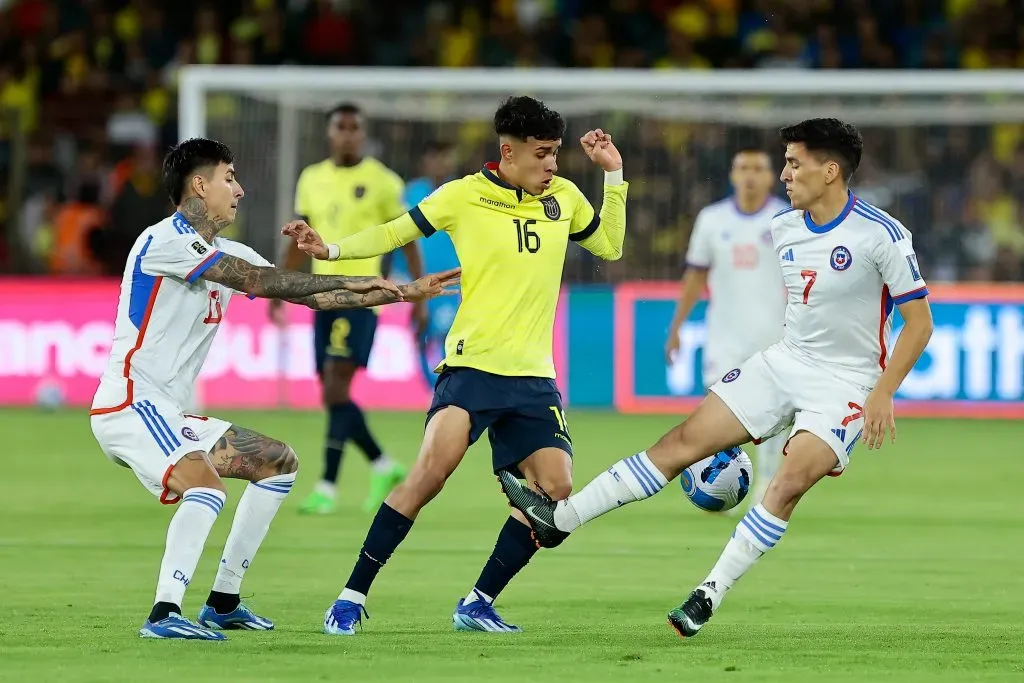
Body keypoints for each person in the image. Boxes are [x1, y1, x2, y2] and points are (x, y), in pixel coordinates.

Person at [498, 118, 933, 639]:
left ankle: (709, 592)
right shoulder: (785, 228)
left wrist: (883, 390)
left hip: (846, 384)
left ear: (831, 170)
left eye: (794, 164)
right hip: (784, 362)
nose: (786, 175)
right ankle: (561, 520)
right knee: (680, 442)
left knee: (789, 481)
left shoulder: (881, 234)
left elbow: (920, 323)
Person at [283, 95, 628, 635]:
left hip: (535, 378)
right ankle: (350, 597)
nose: (553, 165)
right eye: (542, 154)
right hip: (471, 370)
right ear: (508, 152)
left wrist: (615, 177)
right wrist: (329, 250)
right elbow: (395, 232)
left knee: (556, 497)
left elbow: (608, 245)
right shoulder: (464, 196)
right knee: (429, 476)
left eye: (556, 154)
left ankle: (477, 603)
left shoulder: (563, 196)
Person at [89, 137, 458, 641]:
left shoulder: (224, 250)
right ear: (200, 185)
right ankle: (164, 613)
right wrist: (359, 281)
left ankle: (223, 601)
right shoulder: (165, 241)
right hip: (130, 402)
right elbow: (263, 281)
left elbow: (315, 296)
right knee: (204, 486)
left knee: (277, 462)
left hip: (167, 411)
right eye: (230, 178)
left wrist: (398, 291)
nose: (239, 190)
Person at [271, 102, 424, 516]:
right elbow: (298, 238)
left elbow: (406, 237)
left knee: (337, 390)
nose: (348, 134)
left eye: (355, 128)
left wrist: (416, 295)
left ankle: (327, 486)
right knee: (331, 392)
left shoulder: (383, 181)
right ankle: (383, 465)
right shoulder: (312, 178)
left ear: (363, 134)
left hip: (362, 296)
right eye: (341, 127)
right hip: (321, 296)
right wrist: (277, 287)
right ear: (329, 132)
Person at [665, 148, 789, 509]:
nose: (750, 175)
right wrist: (676, 327)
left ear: (770, 177)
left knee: (773, 417)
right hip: (723, 337)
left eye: (758, 168)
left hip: (772, 337)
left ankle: (767, 483)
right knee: (720, 416)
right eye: (743, 168)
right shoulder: (712, 219)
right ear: (733, 176)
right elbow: (695, 275)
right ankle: (718, 485)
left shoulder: (785, 219)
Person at [383, 140, 461, 387]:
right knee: (422, 335)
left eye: (445, 157)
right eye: (434, 157)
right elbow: (399, 237)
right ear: (425, 162)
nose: (440, 163)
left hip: (457, 282)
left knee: (454, 339)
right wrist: (396, 272)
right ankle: (435, 390)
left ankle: (450, 389)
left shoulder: (462, 193)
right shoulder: (410, 194)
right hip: (420, 281)